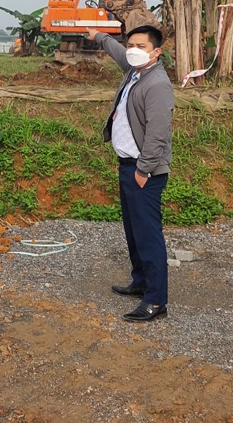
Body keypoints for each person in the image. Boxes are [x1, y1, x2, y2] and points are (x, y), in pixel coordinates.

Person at [88, 25, 174, 322]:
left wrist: (143, 170)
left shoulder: (157, 84)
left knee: (148, 236)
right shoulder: (135, 70)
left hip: (143, 171)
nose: (134, 49)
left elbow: (158, 133)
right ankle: (141, 282)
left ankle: (155, 301)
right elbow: (116, 51)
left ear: (156, 52)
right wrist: (98, 36)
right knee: (134, 231)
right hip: (128, 166)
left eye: (141, 45)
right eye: (131, 44)